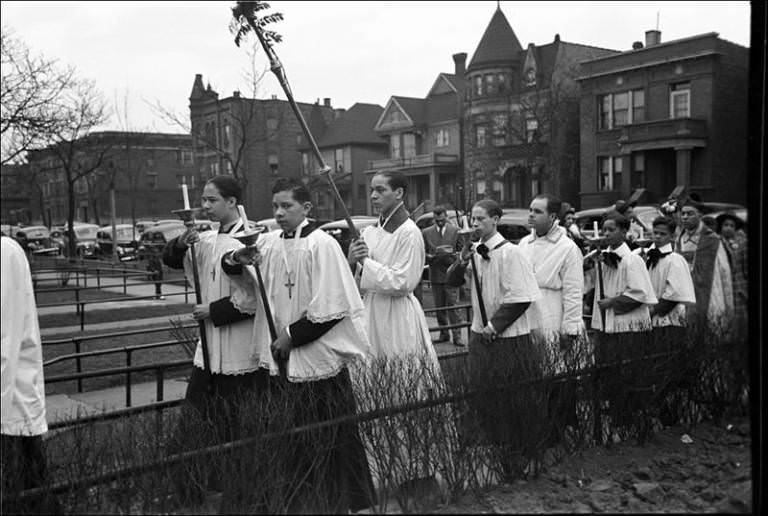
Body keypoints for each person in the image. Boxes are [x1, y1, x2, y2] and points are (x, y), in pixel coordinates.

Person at [225, 177, 374, 513]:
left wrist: (290, 337)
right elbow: (246, 275)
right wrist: (237, 258)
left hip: (315, 357)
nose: (278, 213)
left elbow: (334, 305)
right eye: (275, 206)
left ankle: (334, 502)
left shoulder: (322, 244)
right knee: (289, 440)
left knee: (326, 436)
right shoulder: (270, 244)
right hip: (281, 358)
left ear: (307, 208)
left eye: (286, 206)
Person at [162, 175, 265, 505]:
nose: (204, 206)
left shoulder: (249, 239)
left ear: (232, 202)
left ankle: (240, 495)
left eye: (211, 200)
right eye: (202, 200)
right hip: (207, 352)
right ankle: (191, 491)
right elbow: (172, 259)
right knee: (194, 425)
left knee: (237, 425)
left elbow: (256, 297)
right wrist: (181, 242)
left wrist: (215, 310)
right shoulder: (206, 239)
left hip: (238, 347)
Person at [347, 170, 447, 497]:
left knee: (405, 389)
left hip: (398, 317)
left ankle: (418, 472)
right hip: (372, 314)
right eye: (372, 190)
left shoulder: (409, 233)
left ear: (399, 193)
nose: (373, 195)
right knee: (376, 388)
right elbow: (357, 277)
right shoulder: (371, 231)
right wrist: (354, 261)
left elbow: (405, 282)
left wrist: (368, 265)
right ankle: (386, 467)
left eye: (381, 190)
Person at [446, 199, 541, 475]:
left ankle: (519, 450)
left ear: (495, 219)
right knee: (483, 390)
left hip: (507, 336)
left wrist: (494, 327)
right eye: (472, 220)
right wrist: (461, 261)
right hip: (480, 333)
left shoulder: (512, 253)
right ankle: (491, 444)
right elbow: (452, 283)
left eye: (480, 219)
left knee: (513, 394)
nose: (475, 224)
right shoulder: (475, 252)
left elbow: (521, 298)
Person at [518, 194, 585, 448]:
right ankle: (536, 427)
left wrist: (569, 328)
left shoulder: (567, 248)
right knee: (532, 373)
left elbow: (573, 290)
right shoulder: (524, 243)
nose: (531, 215)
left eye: (537, 211)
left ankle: (558, 430)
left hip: (553, 312)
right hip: (528, 312)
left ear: (553, 217)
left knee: (556, 374)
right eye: (530, 210)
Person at [1, 236, 59, 514]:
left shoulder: (4, 254)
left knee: (21, 494)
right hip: (11, 406)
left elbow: (5, 340)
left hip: (10, 409)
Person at [590, 212, 658, 442]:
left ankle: (631, 421)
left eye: (611, 230)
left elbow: (640, 292)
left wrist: (612, 302)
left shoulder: (632, 260)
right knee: (612, 376)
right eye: (604, 230)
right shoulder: (604, 259)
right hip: (609, 327)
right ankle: (616, 421)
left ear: (624, 231)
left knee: (630, 376)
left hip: (628, 327)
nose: (607, 234)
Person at [675, 199, 733, 332]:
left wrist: (728, 303)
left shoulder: (712, 240)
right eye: (683, 214)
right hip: (686, 294)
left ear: (700, 215)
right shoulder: (679, 240)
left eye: (689, 213)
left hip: (710, 292)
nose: (684, 217)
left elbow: (724, 272)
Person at [422, 205, 464, 346]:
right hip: (435, 275)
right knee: (440, 308)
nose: (439, 222)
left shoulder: (455, 231)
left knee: (453, 307)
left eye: (442, 219)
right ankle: (444, 334)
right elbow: (422, 253)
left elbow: (461, 252)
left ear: (446, 216)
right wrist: (430, 257)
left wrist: (453, 256)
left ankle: (457, 336)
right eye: (436, 220)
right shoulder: (426, 232)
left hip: (451, 274)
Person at [716, 212, 747, 340]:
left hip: (738, 286)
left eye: (732, 226)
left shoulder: (741, 244)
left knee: (741, 321)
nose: (728, 228)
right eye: (725, 225)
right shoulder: (719, 243)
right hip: (725, 285)